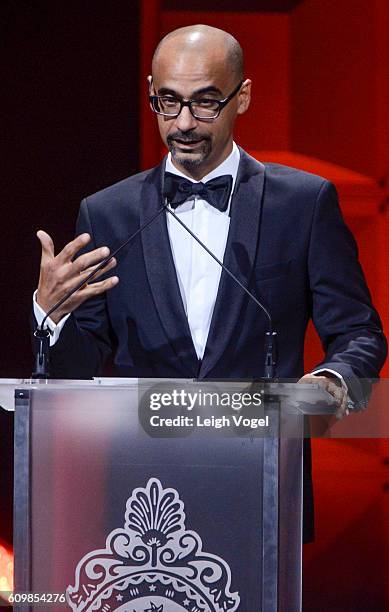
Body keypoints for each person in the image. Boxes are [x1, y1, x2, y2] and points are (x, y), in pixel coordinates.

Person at [33, 25, 386, 539]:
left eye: (205, 104)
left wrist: (334, 383)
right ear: (152, 90)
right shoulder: (107, 212)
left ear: (242, 96)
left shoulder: (304, 205)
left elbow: (360, 333)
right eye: (168, 103)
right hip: (142, 497)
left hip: (265, 483)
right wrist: (51, 314)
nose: (183, 124)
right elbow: (78, 368)